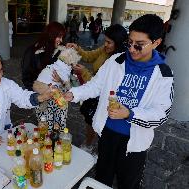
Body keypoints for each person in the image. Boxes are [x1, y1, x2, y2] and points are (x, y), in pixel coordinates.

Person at [64, 14, 174, 188]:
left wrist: (129, 113)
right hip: (107, 133)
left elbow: (161, 114)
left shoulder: (163, 74)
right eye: (129, 42)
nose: (132, 49)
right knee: (102, 179)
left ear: (156, 43)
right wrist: (73, 94)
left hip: (135, 142)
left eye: (139, 45)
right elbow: (95, 86)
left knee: (128, 183)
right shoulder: (116, 61)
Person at [66, 24, 128, 154]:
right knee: (90, 120)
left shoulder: (119, 61)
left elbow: (102, 85)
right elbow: (89, 56)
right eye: (105, 40)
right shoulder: (105, 50)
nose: (105, 44)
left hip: (106, 96)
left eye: (109, 42)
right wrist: (77, 48)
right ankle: (89, 144)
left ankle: (101, 150)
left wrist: (84, 72)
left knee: (104, 123)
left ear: (119, 43)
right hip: (93, 92)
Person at [21, 21, 68, 131]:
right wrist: (40, 93)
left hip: (59, 96)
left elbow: (67, 74)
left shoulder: (61, 51)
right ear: (50, 35)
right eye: (59, 36)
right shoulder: (32, 51)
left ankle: (58, 146)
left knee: (59, 127)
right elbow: (26, 78)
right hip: (43, 96)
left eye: (62, 37)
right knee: (45, 129)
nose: (61, 40)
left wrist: (60, 80)